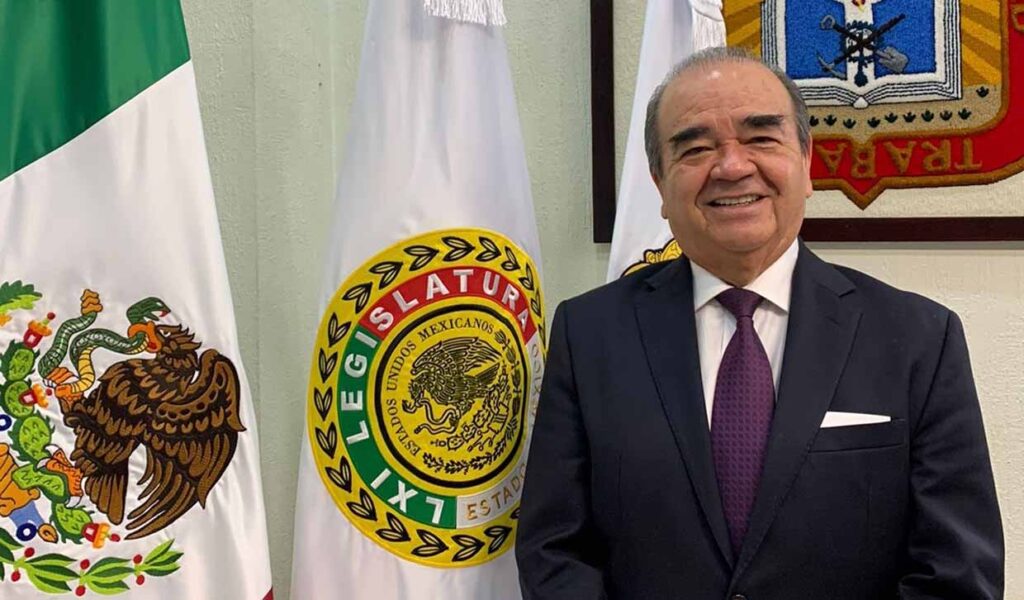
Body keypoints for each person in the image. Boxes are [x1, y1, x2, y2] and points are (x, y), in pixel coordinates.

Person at [515, 47, 1004, 599]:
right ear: (659, 184)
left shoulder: (919, 338)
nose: (731, 167)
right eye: (695, 148)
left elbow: (957, 571)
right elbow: (555, 550)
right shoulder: (589, 335)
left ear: (806, 161)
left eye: (761, 138)